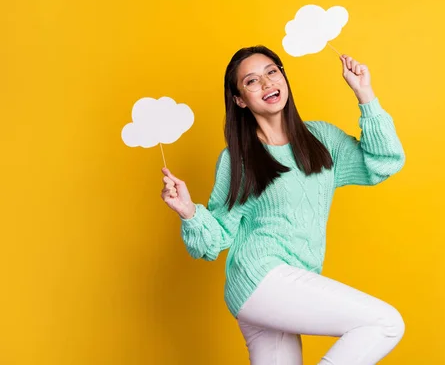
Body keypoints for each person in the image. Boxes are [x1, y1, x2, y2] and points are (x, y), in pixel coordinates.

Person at [160, 45, 406, 364]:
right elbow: (215, 239)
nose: (266, 83)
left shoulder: (323, 140)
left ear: (283, 78)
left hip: (285, 288)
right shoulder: (239, 159)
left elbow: (384, 162)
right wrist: (188, 212)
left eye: (272, 72)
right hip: (260, 277)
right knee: (384, 323)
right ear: (239, 100)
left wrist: (365, 94)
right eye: (251, 81)